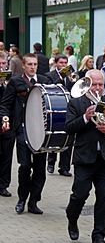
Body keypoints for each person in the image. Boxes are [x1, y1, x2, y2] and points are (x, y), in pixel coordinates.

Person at [65, 69, 105, 243]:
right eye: (95, 84)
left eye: (101, 84)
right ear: (87, 84)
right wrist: (85, 117)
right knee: (80, 195)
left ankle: (99, 235)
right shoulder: (76, 103)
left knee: (103, 199)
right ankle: (72, 217)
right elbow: (69, 128)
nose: (98, 88)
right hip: (84, 158)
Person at [0, 53, 50, 214]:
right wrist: (5, 117)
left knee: (40, 169)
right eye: (29, 64)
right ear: (23, 65)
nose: (33, 67)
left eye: (35, 64)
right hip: (22, 130)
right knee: (25, 166)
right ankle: (22, 199)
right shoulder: (15, 81)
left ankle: (34, 201)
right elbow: (5, 104)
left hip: (41, 131)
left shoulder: (44, 80)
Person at [45, 54, 74, 177]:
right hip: (57, 108)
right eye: (61, 63)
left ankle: (64, 167)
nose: (63, 65)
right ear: (56, 63)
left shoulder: (71, 75)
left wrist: (74, 81)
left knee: (68, 138)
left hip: (70, 108)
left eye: (65, 63)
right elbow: (50, 89)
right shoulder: (49, 76)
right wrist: (61, 77)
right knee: (55, 135)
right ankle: (51, 163)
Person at [0, 52, 16, 197]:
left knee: (7, 156)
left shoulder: (10, 82)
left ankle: (3, 185)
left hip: (8, 125)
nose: (1, 67)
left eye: (3, 64)